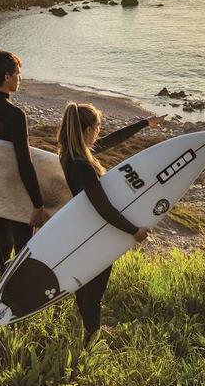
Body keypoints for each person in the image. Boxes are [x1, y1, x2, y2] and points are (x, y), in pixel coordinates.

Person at [57, 102, 165, 342]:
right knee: (94, 289)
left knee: (85, 284)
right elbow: (102, 207)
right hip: (95, 231)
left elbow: (111, 141)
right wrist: (133, 230)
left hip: (83, 228)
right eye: (97, 127)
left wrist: (145, 124)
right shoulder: (82, 165)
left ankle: (88, 330)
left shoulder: (73, 153)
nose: (99, 132)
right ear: (87, 130)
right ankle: (91, 338)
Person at [0, 51, 49, 276]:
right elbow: (23, 161)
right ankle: (19, 294)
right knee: (24, 246)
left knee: (3, 239)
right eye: (18, 73)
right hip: (17, 186)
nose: (20, 78)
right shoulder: (16, 114)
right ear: (7, 77)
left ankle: (0, 286)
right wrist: (38, 203)